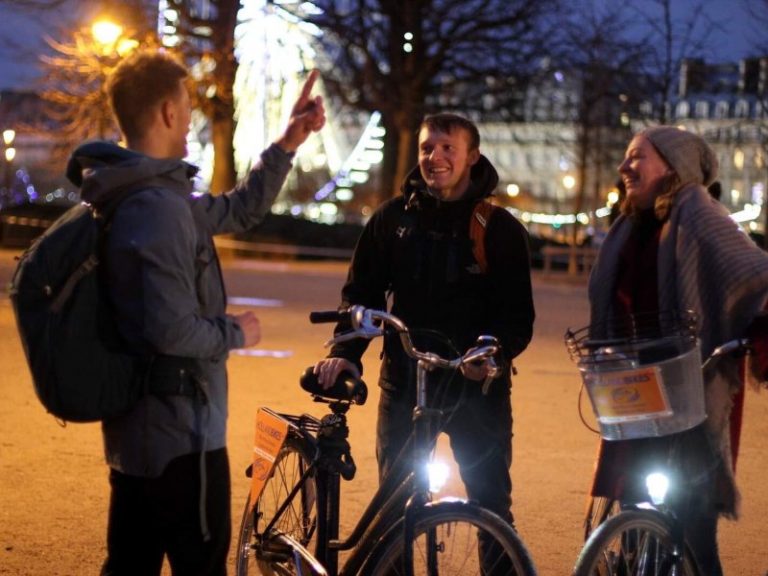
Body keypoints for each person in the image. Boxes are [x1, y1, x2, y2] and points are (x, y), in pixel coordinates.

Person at [65, 49, 325, 576]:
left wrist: (288, 142)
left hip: (140, 430)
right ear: (166, 112)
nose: (191, 116)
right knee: (199, 563)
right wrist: (236, 331)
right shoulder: (157, 210)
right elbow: (169, 328)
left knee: (130, 562)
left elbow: (240, 209)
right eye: (186, 105)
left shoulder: (145, 197)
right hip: (180, 433)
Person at [314, 113, 535, 532]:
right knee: (393, 512)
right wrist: (346, 354)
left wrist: (494, 350)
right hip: (405, 384)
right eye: (427, 148)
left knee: (491, 510)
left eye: (448, 147)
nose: (435, 157)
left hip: (478, 391)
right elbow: (362, 294)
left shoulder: (500, 229)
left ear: (472, 156)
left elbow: (518, 314)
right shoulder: (392, 219)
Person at [586, 125, 768, 575]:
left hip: (691, 389)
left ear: (673, 166)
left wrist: (761, 329)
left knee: (693, 525)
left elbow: (757, 275)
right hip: (637, 386)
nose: (625, 166)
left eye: (638, 157)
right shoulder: (629, 224)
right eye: (627, 157)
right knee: (632, 512)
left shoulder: (699, 212)